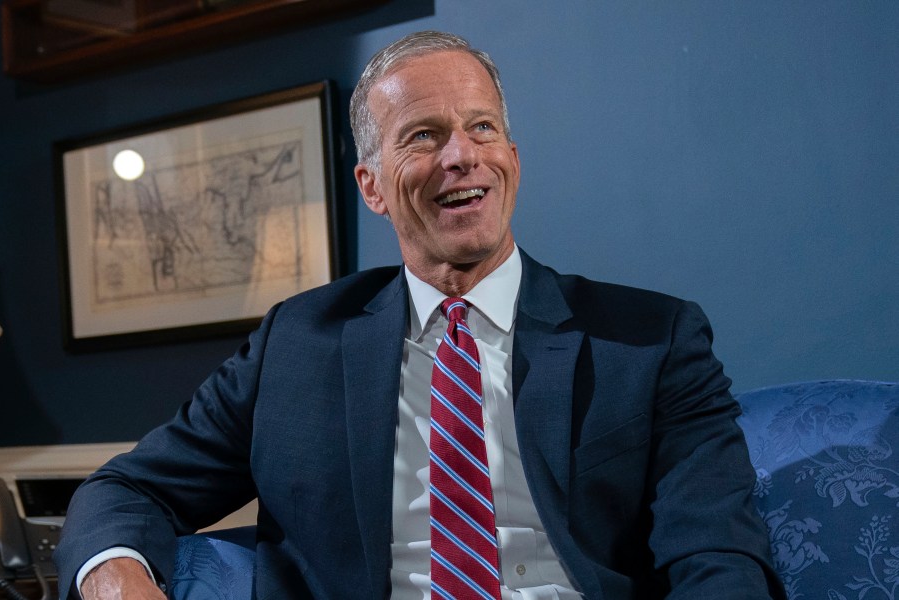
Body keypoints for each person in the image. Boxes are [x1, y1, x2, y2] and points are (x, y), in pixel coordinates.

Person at [55, 31, 785, 599]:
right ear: (372, 187)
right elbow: (126, 488)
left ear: (513, 160)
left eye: (482, 129)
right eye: (424, 136)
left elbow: (717, 553)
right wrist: (116, 577)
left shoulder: (650, 339)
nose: (462, 156)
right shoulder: (296, 344)